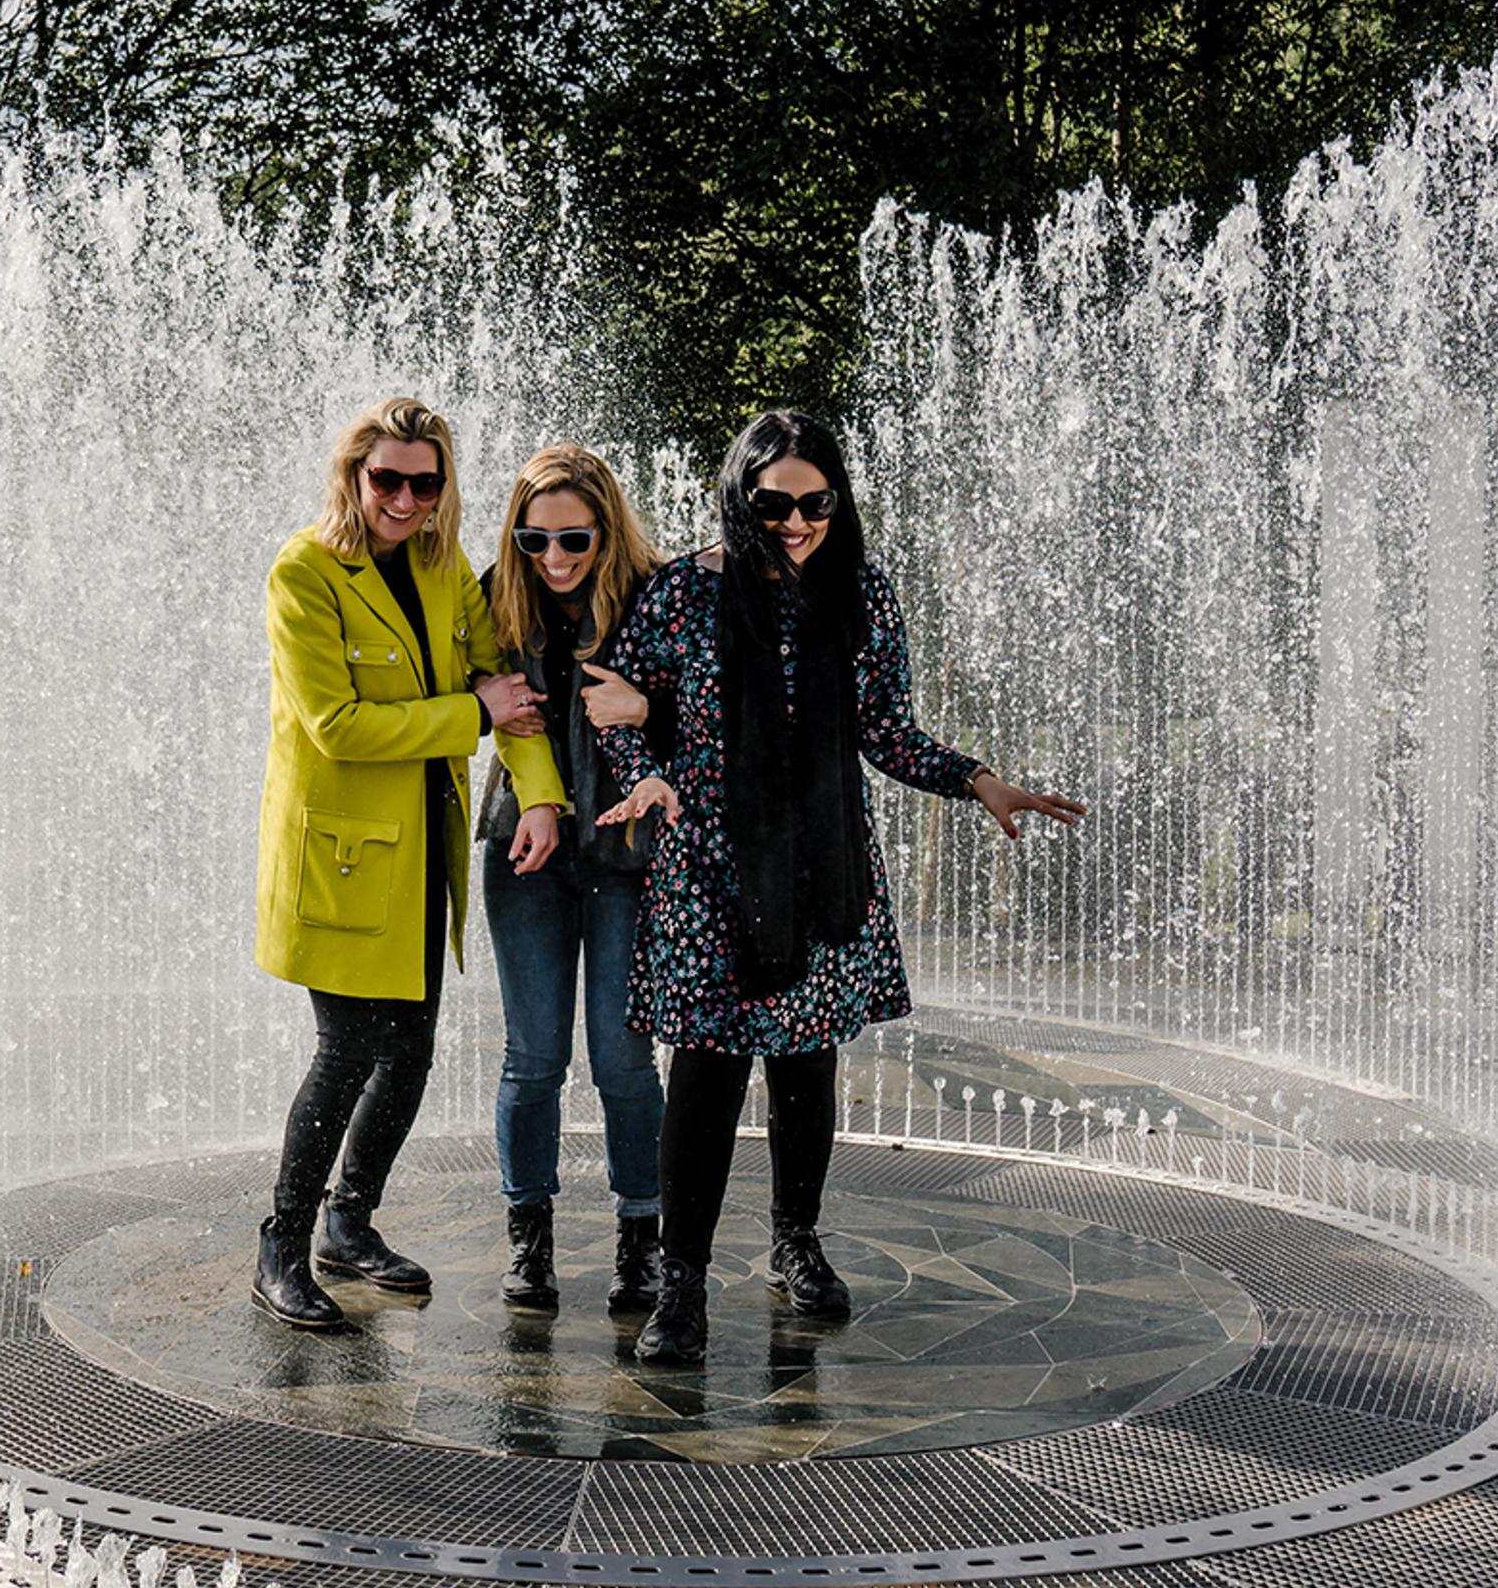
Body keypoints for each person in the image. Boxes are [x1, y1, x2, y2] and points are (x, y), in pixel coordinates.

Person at [595, 410, 1084, 1363]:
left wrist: (976, 777)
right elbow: (617, 700)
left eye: (815, 503)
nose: (794, 521)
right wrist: (640, 769)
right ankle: (682, 1287)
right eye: (773, 502)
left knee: (806, 1064)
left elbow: (887, 732)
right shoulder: (683, 595)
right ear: (740, 495)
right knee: (705, 1074)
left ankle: (795, 1243)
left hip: (823, 862)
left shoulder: (859, 593)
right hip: (707, 869)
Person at [250, 396, 564, 1332]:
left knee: (413, 1049)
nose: (405, 499)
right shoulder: (304, 572)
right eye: (387, 478)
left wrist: (540, 794)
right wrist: (472, 715)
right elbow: (337, 727)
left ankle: (349, 1223)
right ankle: (281, 1244)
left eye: (425, 483)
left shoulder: (440, 566)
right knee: (347, 1051)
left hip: (422, 847)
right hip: (340, 861)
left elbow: (504, 684)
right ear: (354, 474)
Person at [475, 445, 671, 1314]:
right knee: (535, 1055)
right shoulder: (491, 595)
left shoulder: (657, 596)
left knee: (624, 1058)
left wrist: (652, 711)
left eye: (573, 540)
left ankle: (641, 1237)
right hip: (528, 847)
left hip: (630, 853)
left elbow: (713, 702)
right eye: (533, 539)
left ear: (607, 528)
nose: (552, 559)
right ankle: (530, 1235)